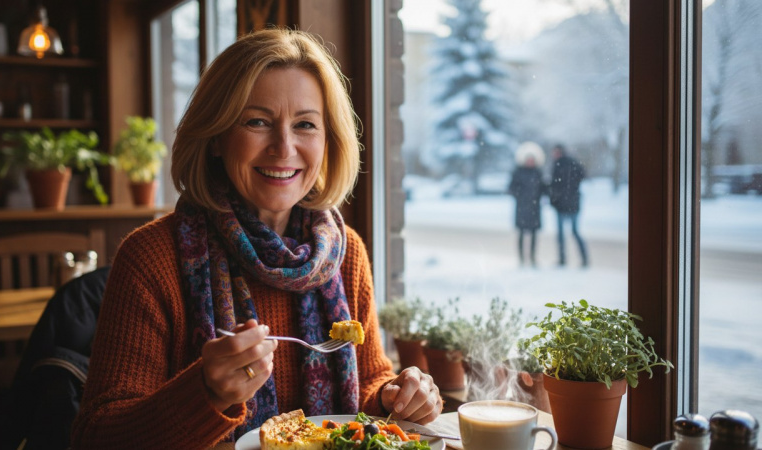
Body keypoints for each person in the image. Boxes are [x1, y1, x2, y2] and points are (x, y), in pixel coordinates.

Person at [71, 28, 441, 449]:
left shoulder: (344, 252)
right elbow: (95, 436)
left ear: (328, 141)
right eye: (258, 122)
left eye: (305, 124)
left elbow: (369, 382)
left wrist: (400, 396)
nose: (284, 148)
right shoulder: (152, 257)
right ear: (215, 137)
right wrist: (205, 394)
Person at [548, 144, 589, 267]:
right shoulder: (572, 163)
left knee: (570, 232)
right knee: (570, 233)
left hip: (566, 204)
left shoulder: (559, 165)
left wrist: (555, 198)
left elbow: (555, 186)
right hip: (568, 204)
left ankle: (567, 259)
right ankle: (577, 259)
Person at [508, 142, 546, 267]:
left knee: (534, 234)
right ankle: (521, 259)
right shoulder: (518, 172)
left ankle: (533, 257)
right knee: (521, 233)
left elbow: (543, 188)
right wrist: (521, 196)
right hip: (522, 207)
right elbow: (511, 188)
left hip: (535, 207)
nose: (530, 162)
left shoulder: (538, 173)